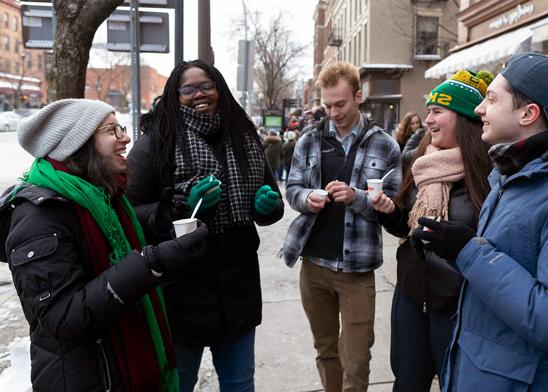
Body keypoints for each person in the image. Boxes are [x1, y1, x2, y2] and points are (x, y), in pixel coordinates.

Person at [414, 53, 548, 391]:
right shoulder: (510, 176)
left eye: (491, 99)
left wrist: (468, 251)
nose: (478, 110)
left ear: (528, 114)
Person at [0, 99, 210, 391]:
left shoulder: (105, 196)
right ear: (78, 144)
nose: (125, 138)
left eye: (120, 127)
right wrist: (152, 263)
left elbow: (114, 260)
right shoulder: (39, 217)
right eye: (112, 130)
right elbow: (63, 317)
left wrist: (161, 221)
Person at [126, 59, 284, 392]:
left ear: (219, 89)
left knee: (240, 383)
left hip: (238, 285)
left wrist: (265, 207)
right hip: (181, 289)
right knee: (178, 383)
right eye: (189, 88)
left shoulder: (244, 137)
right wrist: (177, 207)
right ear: (175, 93)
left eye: (207, 86)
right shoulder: (157, 142)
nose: (199, 94)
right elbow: (128, 212)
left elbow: (272, 202)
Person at [282, 62, 402, 392]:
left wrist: (355, 197)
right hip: (313, 265)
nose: (333, 112)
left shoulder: (385, 146)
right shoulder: (308, 141)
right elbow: (292, 190)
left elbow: (392, 207)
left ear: (358, 97)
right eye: (327, 105)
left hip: (357, 270)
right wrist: (308, 198)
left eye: (341, 104)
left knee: (357, 358)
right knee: (326, 351)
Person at [371, 70, 492, 391]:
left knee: (457, 383)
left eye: (438, 111)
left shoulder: (490, 174)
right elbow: (410, 226)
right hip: (410, 294)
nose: (428, 120)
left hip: (458, 303)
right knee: (408, 382)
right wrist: (388, 213)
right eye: (429, 111)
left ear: (464, 118)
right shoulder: (420, 163)